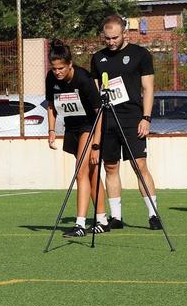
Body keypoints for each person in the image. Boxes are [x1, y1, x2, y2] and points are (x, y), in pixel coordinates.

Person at [89, 15, 161, 230]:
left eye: (115, 38)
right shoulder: (97, 58)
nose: (111, 42)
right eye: (107, 38)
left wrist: (146, 118)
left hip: (132, 119)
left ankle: (153, 214)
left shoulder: (140, 55)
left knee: (140, 165)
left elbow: (148, 88)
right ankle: (116, 217)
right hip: (108, 119)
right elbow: (95, 93)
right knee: (110, 167)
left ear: (124, 34)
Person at [45, 40, 108, 237]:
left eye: (61, 68)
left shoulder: (83, 79)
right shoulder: (51, 78)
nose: (57, 72)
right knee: (91, 173)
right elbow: (51, 105)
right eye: (54, 68)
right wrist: (51, 130)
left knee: (80, 171)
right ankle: (102, 220)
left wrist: (96, 144)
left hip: (89, 126)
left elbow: (100, 112)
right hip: (71, 127)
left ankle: (80, 224)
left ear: (70, 64)